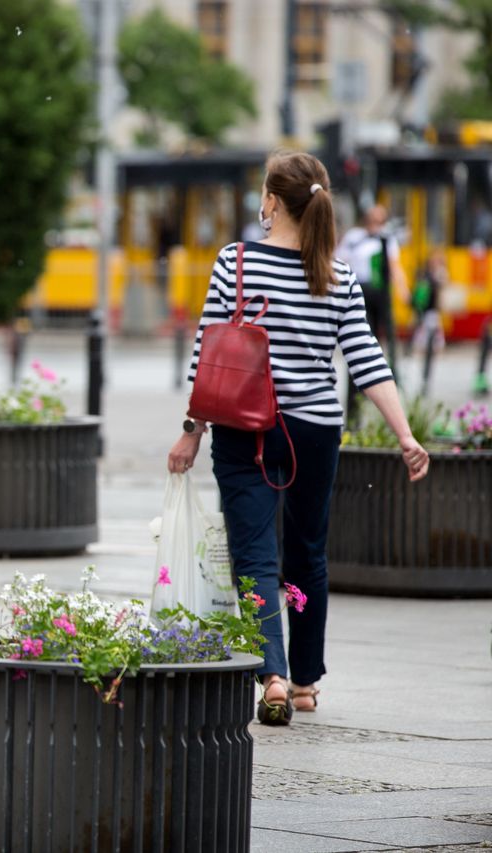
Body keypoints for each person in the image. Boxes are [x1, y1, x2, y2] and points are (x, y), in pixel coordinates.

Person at [168, 151, 430, 727]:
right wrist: (406, 435)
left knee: (255, 555)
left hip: (244, 428)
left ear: (270, 201)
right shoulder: (336, 277)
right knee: (308, 551)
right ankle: (307, 681)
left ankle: (274, 674)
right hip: (314, 430)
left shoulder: (235, 263)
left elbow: (207, 355)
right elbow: (366, 359)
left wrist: (192, 432)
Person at [336, 204, 410, 369]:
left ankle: (388, 371)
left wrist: (403, 288)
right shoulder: (354, 237)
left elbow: (394, 265)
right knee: (359, 334)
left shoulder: (386, 239)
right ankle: (356, 385)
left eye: (380, 220)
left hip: (381, 291)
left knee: (385, 333)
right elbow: (340, 260)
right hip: (359, 290)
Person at [411, 249, 447, 394]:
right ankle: (424, 375)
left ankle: (425, 375)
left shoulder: (427, 275)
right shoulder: (430, 277)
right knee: (427, 346)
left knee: (430, 346)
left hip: (429, 316)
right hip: (429, 316)